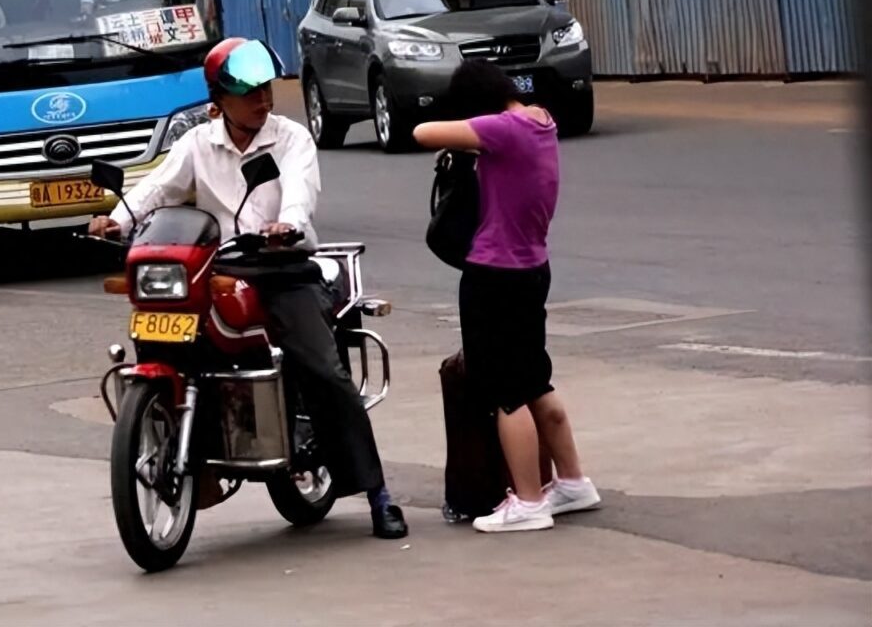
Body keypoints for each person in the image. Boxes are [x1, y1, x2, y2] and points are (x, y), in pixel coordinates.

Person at [88, 38, 408, 540]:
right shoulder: (197, 143)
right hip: (224, 268)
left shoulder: (291, 139)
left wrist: (288, 224)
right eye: (250, 93)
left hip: (284, 266)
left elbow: (301, 192)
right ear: (219, 102)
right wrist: (116, 218)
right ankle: (195, 455)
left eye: (265, 89)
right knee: (166, 341)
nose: (263, 100)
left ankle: (377, 493)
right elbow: (159, 189)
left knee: (323, 369)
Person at [413, 59, 601, 533]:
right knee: (536, 379)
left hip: (493, 274)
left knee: (505, 393)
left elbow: (421, 132)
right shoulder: (541, 121)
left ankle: (529, 501)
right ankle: (574, 482)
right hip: (533, 269)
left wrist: (466, 127)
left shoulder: (504, 129)